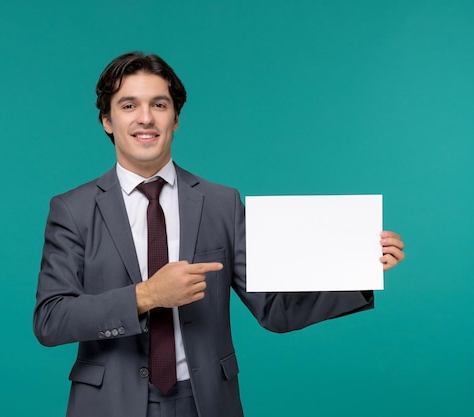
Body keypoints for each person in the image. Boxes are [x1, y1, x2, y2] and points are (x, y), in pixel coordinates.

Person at [33, 52, 405, 417]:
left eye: (159, 105)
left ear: (175, 119)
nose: (145, 118)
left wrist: (358, 272)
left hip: (205, 402)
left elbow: (273, 309)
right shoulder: (72, 209)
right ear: (106, 120)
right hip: (108, 405)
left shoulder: (220, 203)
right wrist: (146, 295)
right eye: (129, 105)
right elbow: (51, 319)